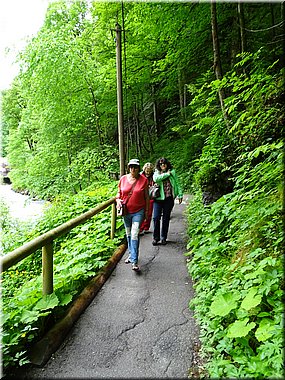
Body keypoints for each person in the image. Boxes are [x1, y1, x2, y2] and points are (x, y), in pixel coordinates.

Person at [116, 158, 149, 271]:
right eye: (131, 167)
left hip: (138, 211)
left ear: (138, 168)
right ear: (128, 168)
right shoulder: (123, 179)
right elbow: (119, 193)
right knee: (129, 234)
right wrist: (118, 200)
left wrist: (146, 213)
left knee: (135, 234)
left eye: (135, 167)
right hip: (126, 211)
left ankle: (134, 261)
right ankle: (131, 255)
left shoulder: (144, 180)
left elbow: (146, 197)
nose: (133, 169)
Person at [152, 157, 183, 246]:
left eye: (164, 163)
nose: (163, 165)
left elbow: (177, 183)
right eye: (161, 164)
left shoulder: (172, 172)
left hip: (169, 198)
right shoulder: (157, 173)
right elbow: (156, 179)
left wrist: (180, 194)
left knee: (166, 218)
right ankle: (156, 237)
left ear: (167, 164)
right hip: (158, 199)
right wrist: (166, 175)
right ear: (159, 165)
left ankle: (163, 237)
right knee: (156, 218)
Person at [139, 162, 155, 235]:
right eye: (147, 170)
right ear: (144, 169)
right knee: (142, 212)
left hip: (150, 196)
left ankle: (146, 227)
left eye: (149, 171)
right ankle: (141, 228)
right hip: (141, 196)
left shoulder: (154, 176)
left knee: (149, 212)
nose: (148, 172)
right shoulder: (140, 176)